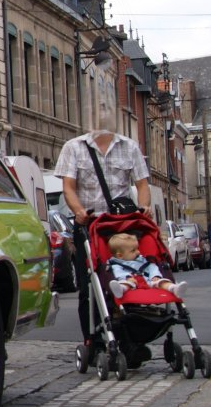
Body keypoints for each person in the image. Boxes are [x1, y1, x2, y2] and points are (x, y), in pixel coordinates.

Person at [54, 112, 152, 343]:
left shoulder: (129, 147)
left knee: (126, 277)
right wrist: (78, 211)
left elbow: (142, 183)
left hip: (121, 224)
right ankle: (93, 339)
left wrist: (144, 207)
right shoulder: (74, 147)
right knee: (90, 285)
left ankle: (128, 336)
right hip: (90, 224)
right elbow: (68, 187)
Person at [105, 232, 181, 298]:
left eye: (137, 248)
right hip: (131, 283)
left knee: (162, 282)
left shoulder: (142, 260)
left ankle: (173, 288)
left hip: (149, 281)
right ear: (120, 255)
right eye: (133, 250)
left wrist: (155, 276)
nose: (138, 252)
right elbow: (118, 273)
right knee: (125, 284)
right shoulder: (115, 265)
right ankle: (120, 289)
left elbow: (152, 267)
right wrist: (127, 277)